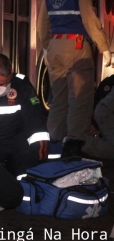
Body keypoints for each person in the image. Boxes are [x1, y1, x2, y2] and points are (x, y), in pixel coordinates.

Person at [37, 0, 111, 158]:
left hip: (55, 46)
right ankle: (73, 146)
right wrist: (104, 47)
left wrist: (46, 47)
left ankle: (53, 145)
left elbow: (42, 24)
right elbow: (89, 20)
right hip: (76, 45)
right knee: (79, 99)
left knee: (59, 100)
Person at [81, 74, 114, 159]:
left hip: (103, 112)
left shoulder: (109, 81)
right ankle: (78, 143)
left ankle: (77, 141)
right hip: (105, 113)